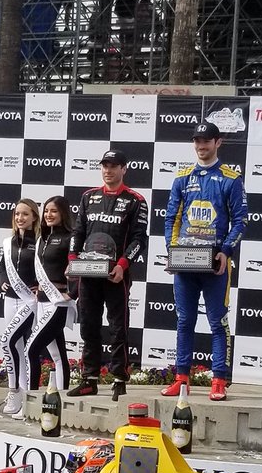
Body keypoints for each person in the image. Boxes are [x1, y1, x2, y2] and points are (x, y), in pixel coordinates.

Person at [162, 121, 249, 403]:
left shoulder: (231, 178)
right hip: (186, 263)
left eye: (207, 141)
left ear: (218, 142)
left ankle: (219, 380)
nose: (201, 146)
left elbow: (240, 222)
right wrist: (173, 249)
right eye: (198, 141)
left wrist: (225, 251)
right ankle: (181, 379)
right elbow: (172, 218)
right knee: (184, 320)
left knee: (217, 321)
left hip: (215, 265)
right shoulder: (182, 177)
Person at [68, 150, 148, 399]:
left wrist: (123, 265)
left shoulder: (136, 200)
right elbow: (77, 232)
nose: (108, 170)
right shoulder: (88, 197)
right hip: (88, 274)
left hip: (115, 275)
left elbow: (138, 239)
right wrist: (72, 260)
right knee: (88, 326)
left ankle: (118, 378)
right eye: (104, 165)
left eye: (114, 166)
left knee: (117, 327)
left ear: (124, 169)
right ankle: (89, 378)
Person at [21, 195, 76, 417]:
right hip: (42, 300)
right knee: (57, 354)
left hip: (57, 304)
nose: (48, 215)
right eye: (46, 211)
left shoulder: (70, 238)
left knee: (31, 349)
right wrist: (37, 286)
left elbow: (77, 268)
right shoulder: (42, 238)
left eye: (53, 211)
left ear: (62, 213)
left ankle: (32, 400)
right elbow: (41, 268)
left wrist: (71, 293)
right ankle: (61, 402)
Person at [0, 199, 40, 417]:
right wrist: (3, 279)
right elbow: (2, 266)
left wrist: (39, 285)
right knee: (16, 346)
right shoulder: (9, 242)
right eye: (17, 214)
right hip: (10, 298)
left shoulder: (40, 241)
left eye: (25, 214)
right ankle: (18, 393)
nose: (20, 218)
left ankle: (17, 392)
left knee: (11, 341)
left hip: (29, 301)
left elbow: (46, 267)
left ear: (34, 216)